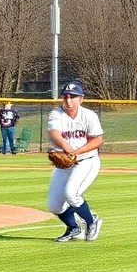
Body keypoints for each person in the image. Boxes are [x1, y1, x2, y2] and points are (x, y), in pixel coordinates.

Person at [46, 81, 104, 243]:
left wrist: (76, 152)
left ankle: (91, 222)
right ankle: (73, 227)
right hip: (65, 164)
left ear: (81, 99)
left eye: (73, 96)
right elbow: (55, 133)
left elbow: (97, 140)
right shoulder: (56, 114)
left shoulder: (89, 116)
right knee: (54, 205)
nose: (68, 100)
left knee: (72, 193)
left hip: (87, 161)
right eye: (66, 96)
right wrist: (67, 148)